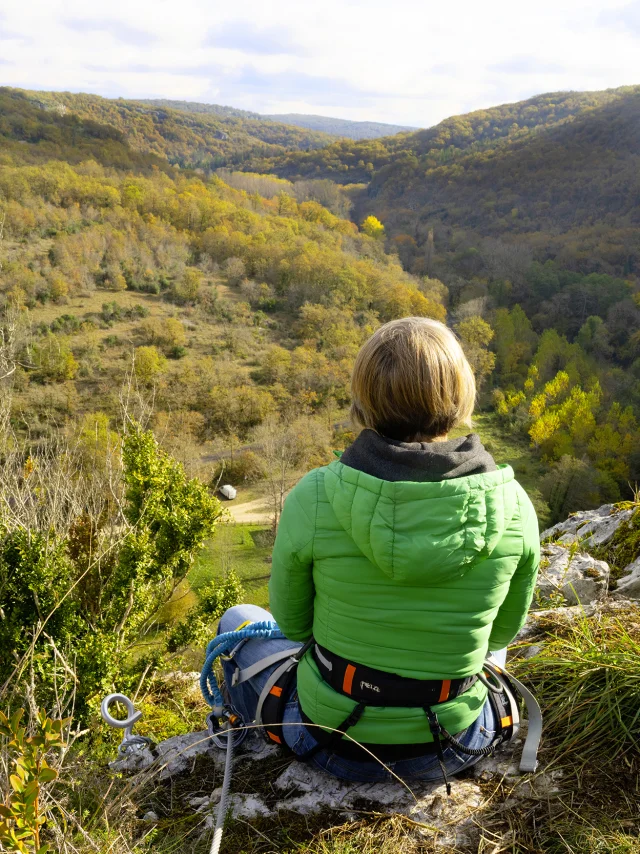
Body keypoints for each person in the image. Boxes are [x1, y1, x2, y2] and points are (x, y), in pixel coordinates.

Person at [218, 317, 540, 783]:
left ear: (364, 401)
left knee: (237, 620)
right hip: (451, 743)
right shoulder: (515, 507)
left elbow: (292, 626)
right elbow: (500, 636)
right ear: (461, 394)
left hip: (330, 738)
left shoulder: (314, 495)